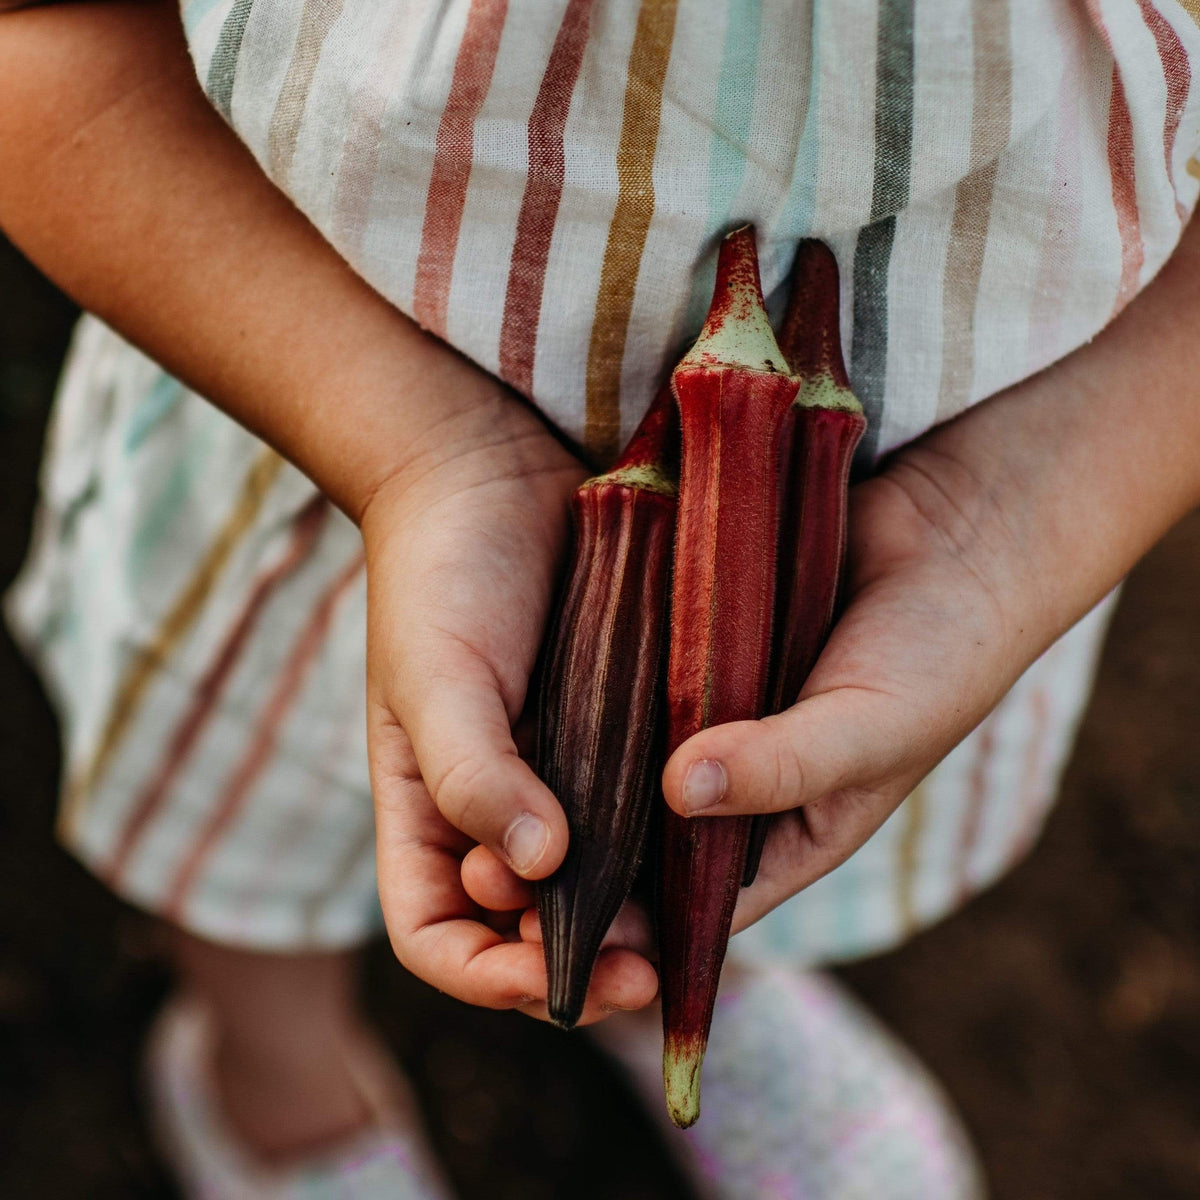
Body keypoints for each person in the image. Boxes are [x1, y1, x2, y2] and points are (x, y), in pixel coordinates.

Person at [1, 0, 1198, 1195]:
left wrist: (1020, 525)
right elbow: (38, 40)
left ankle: (688, 991)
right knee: (254, 825)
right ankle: (277, 1081)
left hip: (919, 529)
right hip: (306, 404)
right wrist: (417, 452)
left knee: (758, 824)